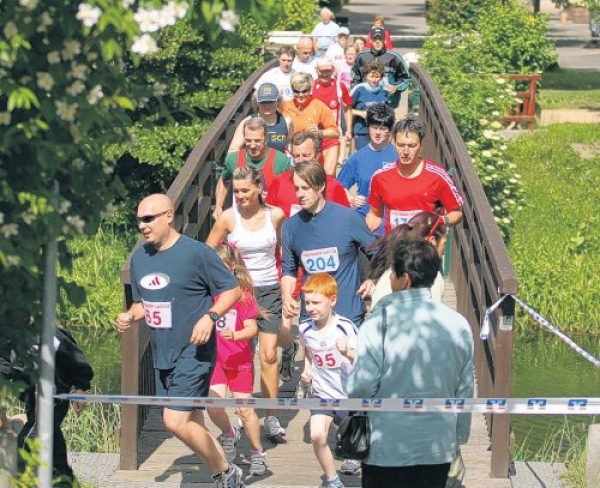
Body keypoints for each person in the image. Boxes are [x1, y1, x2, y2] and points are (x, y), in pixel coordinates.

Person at [116, 193, 244, 488]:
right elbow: (142, 303)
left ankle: (225, 471)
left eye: (148, 219)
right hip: (163, 352)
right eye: (139, 221)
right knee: (192, 422)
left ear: (169, 216)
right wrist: (129, 316)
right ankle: (225, 474)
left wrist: (209, 317)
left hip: (194, 351)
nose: (142, 226)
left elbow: (232, 291)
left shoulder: (197, 253)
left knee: (174, 421)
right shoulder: (140, 258)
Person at [348, 240, 474, 488]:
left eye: (391, 274)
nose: (390, 280)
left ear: (404, 279)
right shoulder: (458, 324)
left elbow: (360, 387)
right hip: (437, 444)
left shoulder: (378, 324)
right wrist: (458, 435)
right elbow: (465, 389)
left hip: (387, 447)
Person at [206, 168, 288, 441]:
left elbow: (282, 251)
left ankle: (271, 416)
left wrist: (288, 288)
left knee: (268, 354)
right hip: (237, 292)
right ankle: (242, 411)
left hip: (268, 290)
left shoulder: (275, 215)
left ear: (259, 189)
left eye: (245, 190)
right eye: (236, 191)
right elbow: (206, 253)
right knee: (240, 350)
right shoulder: (229, 219)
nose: (240, 196)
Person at [265, 132, 350, 383]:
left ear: (318, 156)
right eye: (296, 155)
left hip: (322, 271)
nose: (300, 159)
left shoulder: (332, 186)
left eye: (307, 155)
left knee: (319, 327)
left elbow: (344, 224)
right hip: (288, 263)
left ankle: (317, 379)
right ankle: (291, 348)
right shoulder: (280, 184)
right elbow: (269, 218)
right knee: (284, 329)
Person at [281, 160, 376, 327]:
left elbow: (378, 251)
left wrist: (372, 279)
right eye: (297, 188)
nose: (300, 194)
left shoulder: (348, 219)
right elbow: (289, 271)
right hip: (311, 317)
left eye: (306, 188)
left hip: (347, 315)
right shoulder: (291, 226)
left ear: (321, 186)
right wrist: (287, 297)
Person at [1, 326, 94, 488]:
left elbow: (77, 361)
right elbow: (3, 365)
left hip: (55, 393)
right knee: (53, 439)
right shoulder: (13, 334)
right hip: (32, 395)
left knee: (29, 439)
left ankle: (29, 481)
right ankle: (64, 479)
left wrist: (81, 387)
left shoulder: (54, 336)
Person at [207, 242, 266, 476]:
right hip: (217, 360)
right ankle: (229, 434)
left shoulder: (242, 294)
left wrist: (235, 334)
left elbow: (252, 329)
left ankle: (257, 451)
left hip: (239, 359)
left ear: (232, 267)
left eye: (221, 267)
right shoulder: (208, 293)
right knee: (213, 405)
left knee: (245, 410)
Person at [299, 273, 359, 487]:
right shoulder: (305, 328)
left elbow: (364, 360)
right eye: (307, 302)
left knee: (354, 443)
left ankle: (351, 450)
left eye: (316, 302)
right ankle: (333, 479)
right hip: (322, 393)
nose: (310, 307)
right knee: (317, 436)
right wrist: (307, 369)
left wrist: (348, 352)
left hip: (347, 395)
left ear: (332, 300)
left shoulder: (345, 327)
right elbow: (307, 350)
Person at [365, 118, 464, 235]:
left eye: (412, 146)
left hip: (425, 248)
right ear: (394, 143)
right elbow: (375, 215)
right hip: (393, 248)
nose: (405, 151)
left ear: (421, 146)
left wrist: (440, 220)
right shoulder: (380, 177)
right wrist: (362, 238)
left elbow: (456, 213)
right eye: (400, 145)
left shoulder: (438, 176)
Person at [214, 116, 291, 220]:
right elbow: (224, 180)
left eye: (257, 140)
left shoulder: (281, 161)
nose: (253, 145)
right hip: (241, 220)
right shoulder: (233, 160)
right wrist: (218, 206)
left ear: (266, 138)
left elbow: (291, 193)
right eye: (248, 140)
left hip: (271, 221)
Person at [337, 103, 397, 237]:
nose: (377, 132)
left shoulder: (398, 156)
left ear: (389, 130)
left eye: (382, 128)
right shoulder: (357, 157)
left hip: (392, 226)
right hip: (364, 224)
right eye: (374, 127)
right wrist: (350, 198)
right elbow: (339, 186)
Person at [367, 211, 448, 307]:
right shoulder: (432, 277)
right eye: (444, 244)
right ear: (432, 241)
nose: (444, 251)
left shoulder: (388, 272)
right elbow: (433, 317)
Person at [281, 72, 340, 176]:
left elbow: (335, 132)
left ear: (310, 89)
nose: (300, 95)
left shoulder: (319, 106)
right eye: (296, 91)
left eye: (304, 91)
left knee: (333, 144)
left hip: (311, 152)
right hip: (291, 151)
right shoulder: (285, 107)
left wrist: (319, 132)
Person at [311, 58, 353, 172]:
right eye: (321, 71)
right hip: (312, 137)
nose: (324, 74)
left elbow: (347, 109)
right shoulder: (310, 87)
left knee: (329, 174)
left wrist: (349, 129)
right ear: (316, 70)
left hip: (332, 136)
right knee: (313, 174)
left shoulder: (340, 87)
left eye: (328, 71)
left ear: (333, 70)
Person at [352, 27, 410, 108]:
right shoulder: (361, 57)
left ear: (385, 40)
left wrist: (396, 87)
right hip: (365, 103)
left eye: (380, 39)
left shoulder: (394, 57)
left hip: (388, 102)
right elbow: (354, 79)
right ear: (371, 40)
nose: (377, 41)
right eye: (375, 39)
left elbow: (406, 79)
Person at [228, 83, 293, 154]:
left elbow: (290, 143)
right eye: (263, 102)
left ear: (278, 102)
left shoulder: (286, 122)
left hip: (278, 163)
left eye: (271, 102)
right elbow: (233, 150)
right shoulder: (247, 122)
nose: (267, 106)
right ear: (257, 102)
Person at [350, 61, 391, 150]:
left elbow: (388, 112)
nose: (374, 80)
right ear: (365, 76)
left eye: (377, 77)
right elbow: (347, 109)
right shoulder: (359, 89)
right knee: (363, 156)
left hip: (379, 131)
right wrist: (360, 113)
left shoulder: (384, 91)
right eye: (371, 76)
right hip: (362, 130)